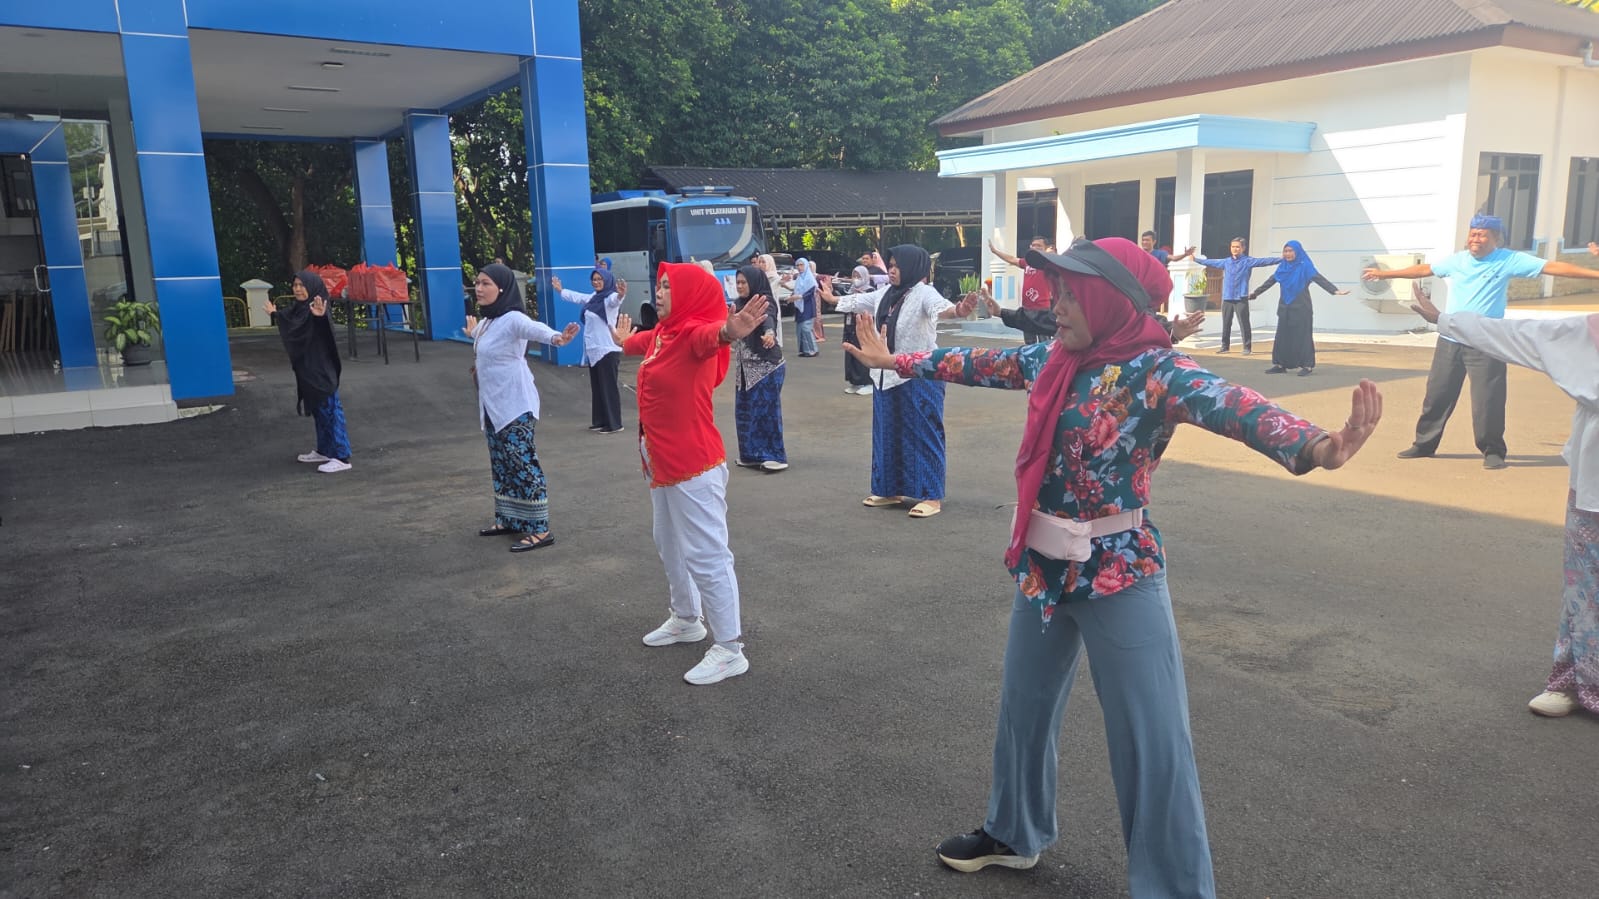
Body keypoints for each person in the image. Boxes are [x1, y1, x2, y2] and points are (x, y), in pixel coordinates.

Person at [844, 236, 1384, 896]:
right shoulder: (1056, 358)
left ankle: (1174, 886)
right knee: (1023, 710)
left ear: (1108, 296)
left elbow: (1232, 403)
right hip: (1042, 569)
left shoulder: (1156, 370)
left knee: (1152, 742)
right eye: (1058, 289)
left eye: (1071, 292)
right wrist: (894, 359)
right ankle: (1015, 830)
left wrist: (1317, 445)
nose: (1055, 302)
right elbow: (978, 361)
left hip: (1118, 573)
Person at [1409, 290, 1597, 718]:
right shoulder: (1587, 332)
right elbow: (1520, 335)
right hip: (1594, 489)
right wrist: (1445, 320)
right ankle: (1571, 682)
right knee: (1585, 588)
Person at [608, 262, 770, 684]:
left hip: (694, 465)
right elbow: (639, 343)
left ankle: (731, 648)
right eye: (659, 285)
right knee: (668, 541)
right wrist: (624, 341)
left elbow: (714, 335)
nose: (659, 293)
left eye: (667, 286)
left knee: (707, 554)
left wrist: (731, 330)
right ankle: (686, 618)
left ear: (689, 296)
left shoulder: (695, 336)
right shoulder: (666, 333)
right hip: (661, 463)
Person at [1363, 213, 1599, 469]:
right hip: (1450, 336)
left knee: (1489, 399)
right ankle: (1424, 444)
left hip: (1488, 340)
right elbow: (1424, 269)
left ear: (1496, 239)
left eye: (1482, 234)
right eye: (1472, 233)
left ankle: (1492, 451)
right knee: (1437, 394)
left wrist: (1595, 275)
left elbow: (1553, 267)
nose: (1475, 238)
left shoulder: (1509, 260)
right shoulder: (1458, 260)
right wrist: (1386, 275)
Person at [818, 244, 976, 518]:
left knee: (924, 435)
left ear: (913, 267)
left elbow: (943, 309)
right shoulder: (887, 294)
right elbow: (860, 301)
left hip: (919, 376)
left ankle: (931, 496)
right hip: (885, 375)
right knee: (886, 434)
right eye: (890, 264)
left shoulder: (924, 293)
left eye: (897, 265)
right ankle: (890, 490)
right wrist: (832, 300)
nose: (891, 270)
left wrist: (959, 310)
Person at [466, 263, 581, 552]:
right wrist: (472, 335)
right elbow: (485, 343)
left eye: (485, 283)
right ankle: (509, 519)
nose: (478, 288)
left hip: (515, 404)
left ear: (502, 288)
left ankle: (540, 529)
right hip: (492, 405)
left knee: (522, 464)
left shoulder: (513, 318)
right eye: (477, 283)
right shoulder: (488, 322)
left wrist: (558, 338)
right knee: (502, 464)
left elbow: (534, 329)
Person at [265, 270, 353, 474]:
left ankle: (341, 456)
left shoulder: (317, 307)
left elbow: (323, 329)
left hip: (321, 370)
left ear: (312, 287)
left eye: (301, 285)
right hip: (308, 370)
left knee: (331, 410)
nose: (297, 289)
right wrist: (274, 314)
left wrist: (320, 317)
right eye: (295, 285)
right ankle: (324, 450)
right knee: (319, 410)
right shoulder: (300, 309)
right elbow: (291, 321)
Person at [1246, 240, 1348, 376]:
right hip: (1285, 306)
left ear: (1297, 251)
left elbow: (1319, 279)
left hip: (1301, 307)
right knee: (1282, 336)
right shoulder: (1283, 266)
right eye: (1285, 251)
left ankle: (1307, 365)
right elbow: (1271, 281)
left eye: (1290, 251)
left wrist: (1335, 291)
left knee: (1303, 336)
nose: (1287, 254)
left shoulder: (1305, 266)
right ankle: (1280, 364)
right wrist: (1255, 293)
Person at [730, 265, 789, 472]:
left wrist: (769, 334)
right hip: (745, 370)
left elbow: (768, 317)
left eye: (743, 282)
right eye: (737, 282)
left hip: (767, 367)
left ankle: (775, 455)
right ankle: (751, 454)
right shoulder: (737, 304)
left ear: (754, 282)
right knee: (745, 411)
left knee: (766, 412)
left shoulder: (765, 300)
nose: (739, 286)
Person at [553, 268, 625, 434]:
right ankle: (600, 420)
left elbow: (616, 300)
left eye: (600, 279)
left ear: (607, 280)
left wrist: (621, 295)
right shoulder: (593, 298)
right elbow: (577, 297)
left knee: (608, 388)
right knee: (598, 387)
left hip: (607, 349)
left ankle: (614, 423)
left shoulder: (609, 299)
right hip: (594, 350)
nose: (596, 282)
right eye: (594, 279)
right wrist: (560, 290)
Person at [1191, 237, 1278, 355]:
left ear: (1243, 248)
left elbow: (1265, 261)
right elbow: (1210, 262)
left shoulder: (1248, 261)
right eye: (1233, 247)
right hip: (1227, 297)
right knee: (1226, 323)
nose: (1235, 249)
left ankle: (1247, 348)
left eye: (1237, 247)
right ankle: (1224, 346)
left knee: (1244, 323)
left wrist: (1281, 259)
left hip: (1241, 297)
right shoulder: (1226, 262)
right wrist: (1195, 259)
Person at [988, 235, 1055, 344]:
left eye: (1039, 245)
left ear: (1045, 248)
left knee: (1044, 342)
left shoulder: (1048, 263)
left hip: (1042, 309)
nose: (1036, 247)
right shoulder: (1026, 262)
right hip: (1026, 310)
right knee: (1029, 343)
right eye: (1033, 245)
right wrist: (995, 251)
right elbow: (1012, 259)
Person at [840, 265, 876, 395]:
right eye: (853, 275)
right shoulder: (850, 291)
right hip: (850, 328)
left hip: (864, 328)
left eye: (858, 276)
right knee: (851, 354)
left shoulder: (870, 292)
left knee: (863, 354)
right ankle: (855, 381)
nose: (855, 279)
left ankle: (868, 382)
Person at [782, 258, 821, 357]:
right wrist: (791, 297)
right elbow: (796, 289)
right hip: (799, 306)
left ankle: (813, 349)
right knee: (800, 328)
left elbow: (810, 292)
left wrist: (798, 297)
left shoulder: (810, 277)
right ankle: (804, 350)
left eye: (801, 265)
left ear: (806, 265)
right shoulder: (799, 278)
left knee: (806, 327)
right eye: (798, 265)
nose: (799, 267)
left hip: (807, 305)